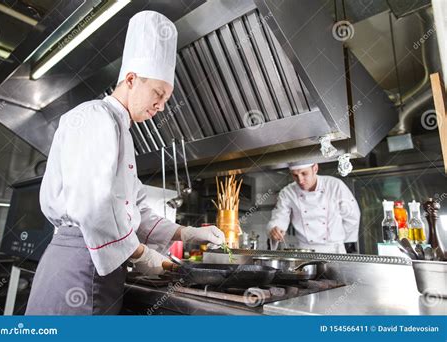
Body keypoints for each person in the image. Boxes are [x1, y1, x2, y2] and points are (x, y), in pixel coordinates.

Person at [26, 11, 224, 315]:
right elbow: (94, 206)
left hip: (101, 270)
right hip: (79, 266)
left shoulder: (123, 133)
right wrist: (141, 254)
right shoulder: (94, 118)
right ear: (131, 79)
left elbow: (132, 212)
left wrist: (184, 233)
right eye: (158, 93)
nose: (161, 106)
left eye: (167, 99)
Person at [267, 162, 360, 253]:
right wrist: (275, 228)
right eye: (295, 175)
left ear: (315, 168)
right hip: (305, 251)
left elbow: (352, 216)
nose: (300, 180)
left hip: (334, 250)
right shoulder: (287, 192)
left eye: (304, 173)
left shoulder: (335, 185)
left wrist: (344, 240)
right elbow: (280, 217)